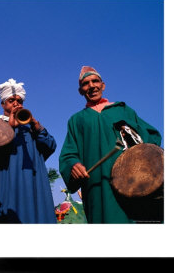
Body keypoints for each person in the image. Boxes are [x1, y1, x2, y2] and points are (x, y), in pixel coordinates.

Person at [59, 66, 162, 223]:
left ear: (103, 85)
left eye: (95, 81)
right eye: (86, 83)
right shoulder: (76, 120)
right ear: (81, 90)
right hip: (95, 186)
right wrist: (74, 165)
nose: (92, 86)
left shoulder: (123, 110)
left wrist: (133, 137)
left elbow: (151, 137)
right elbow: (69, 154)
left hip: (129, 182)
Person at [0, 79, 57, 223]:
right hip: (2, 184)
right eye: (11, 100)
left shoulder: (31, 128)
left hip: (28, 184)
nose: (16, 104)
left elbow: (50, 146)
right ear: (3, 104)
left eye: (19, 101)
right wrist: (9, 128)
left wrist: (36, 125)